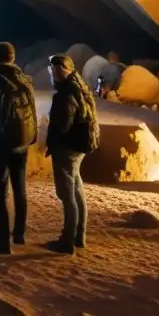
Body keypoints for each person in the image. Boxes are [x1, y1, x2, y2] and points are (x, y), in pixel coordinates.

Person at [0, 42, 37, 254]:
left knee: (0, 191)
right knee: (20, 188)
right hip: (22, 142)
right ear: (13, 57)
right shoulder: (25, 79)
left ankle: (3, 240)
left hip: (1, 143)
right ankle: (19, 234)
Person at [46, 54, 99, 255]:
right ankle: (79, 237)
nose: (52, 73)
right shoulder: (80, 88)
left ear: (61, 70)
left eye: (53, 69)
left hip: (67, 149)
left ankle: (67, 241)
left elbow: (62, 125)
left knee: (67, 194)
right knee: (76, 190)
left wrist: (52, 141)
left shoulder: (66, 94)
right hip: (78, 147)